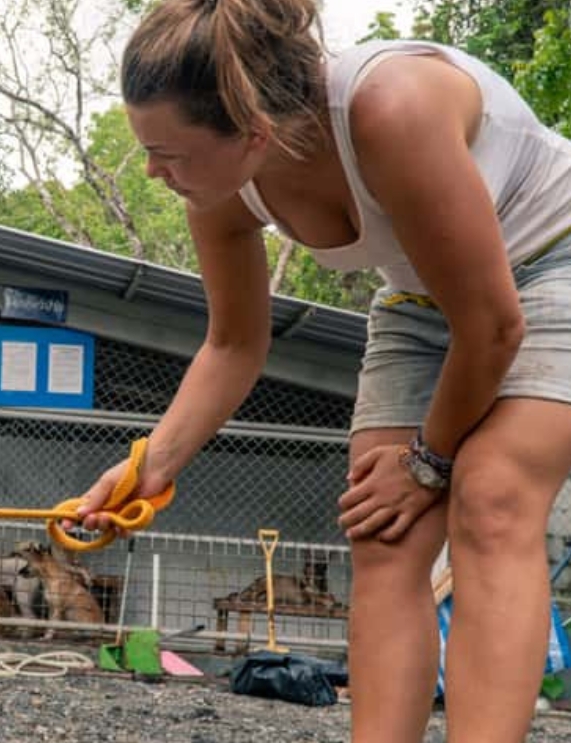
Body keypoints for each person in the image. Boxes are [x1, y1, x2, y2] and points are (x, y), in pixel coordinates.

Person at [70, 1, 571, 741]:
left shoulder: (390, 106)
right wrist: (149, 465)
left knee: (491, 497)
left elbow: (493, 326)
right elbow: (234, 343)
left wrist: (426, 460)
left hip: (549, 263)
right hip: (418, 298)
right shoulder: (219, 188)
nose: (151, 169)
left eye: (168, 153)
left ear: (253, 132)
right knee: (382, 529)